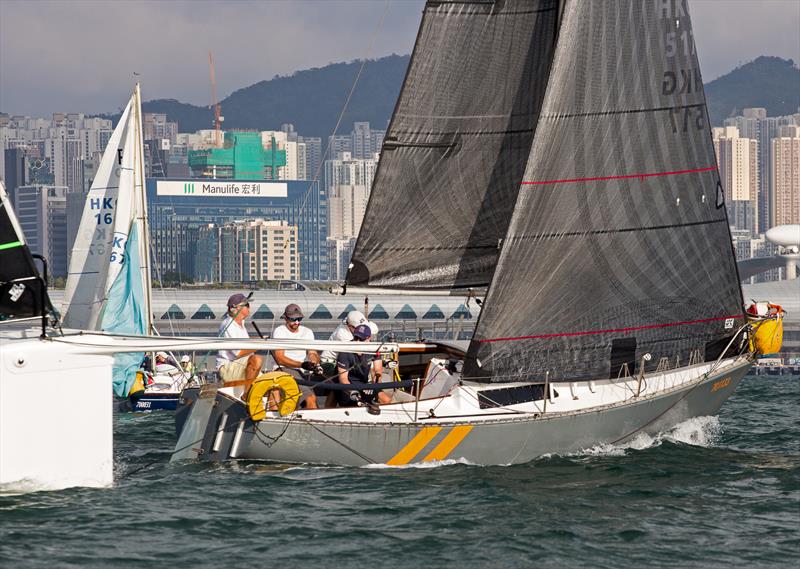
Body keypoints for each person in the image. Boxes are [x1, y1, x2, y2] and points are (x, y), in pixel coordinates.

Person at [272, 304, 319, 409]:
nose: (297, 322)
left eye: (299, 319)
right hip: (284, 369)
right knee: (311, 398)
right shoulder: (279, 331)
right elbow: (280, 358)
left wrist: (313, 362)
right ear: (286, 319)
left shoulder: (307, 332)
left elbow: (313, 353)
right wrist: (302, 364)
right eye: (293, 319)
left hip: (303, 371)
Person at [335, 324, 390, 412]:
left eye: (361, 339)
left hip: (365, 384)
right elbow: (343, 378)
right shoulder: (344, 351)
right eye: (356, 338)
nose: (357, 341)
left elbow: (378, 371)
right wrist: (352, 391)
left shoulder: (375, 349)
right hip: (348, 385)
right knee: (352, 407)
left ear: (369, 338)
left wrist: (372, 384)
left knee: (386, 400)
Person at [216, 293, 262, 385]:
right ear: (238, 308)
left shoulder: (240, 324)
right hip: (228, 367)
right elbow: (238, 353)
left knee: (272, 382)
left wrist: (259, 339)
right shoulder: (229, 325)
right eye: (247, 305)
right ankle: (247, 394)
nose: (249, 308)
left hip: (242, 365)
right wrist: (260, 344)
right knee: (257, 359)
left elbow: (245, 343)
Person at [321, 310, 380, 375]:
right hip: (330, 361)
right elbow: (357, 353)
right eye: (357, 328)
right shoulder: (342, 335)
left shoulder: (361, 322)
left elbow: (374, 329)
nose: (361, 329)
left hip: (343, 359)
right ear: (350, 326)